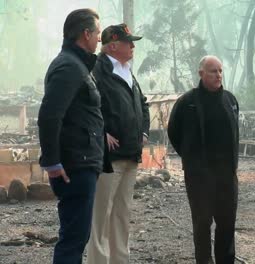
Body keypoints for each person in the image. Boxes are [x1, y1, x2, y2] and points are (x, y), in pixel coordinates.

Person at [38, 8, 106, 264]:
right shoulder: (69, 66)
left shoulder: (78, 65)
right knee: (73, 240)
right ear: (86, 33)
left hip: (82, 162)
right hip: (75, 166)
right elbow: (49, 116)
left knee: (77, 238)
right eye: (97, 32)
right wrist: (53, 163)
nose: (99, 38)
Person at [86, 23, 149, 264]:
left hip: (131, 154)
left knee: (122, 215)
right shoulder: (96, 71)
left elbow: (142, 104)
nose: (133, 46)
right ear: (112, 45)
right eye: (128, 42)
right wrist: (101, 133)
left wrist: (143, 132)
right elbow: (86, 107)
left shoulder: (127, 71)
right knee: (101, 216)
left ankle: (120, 261)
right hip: (108, 158)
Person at [168, 55, 239, 264]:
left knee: (227, 224)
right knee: (201, 225)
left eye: (220, 71)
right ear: (201, 74)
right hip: (199, 177)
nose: (218, 75)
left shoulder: (230, 100)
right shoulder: (186, 102)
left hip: (227, 176)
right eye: (213, 71)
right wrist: (190, 158)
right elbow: (174, 132)